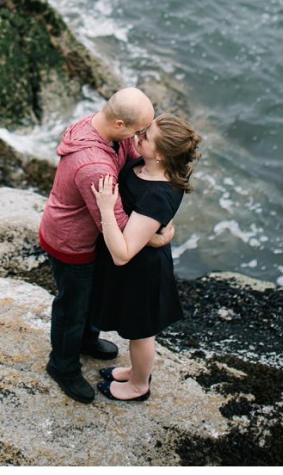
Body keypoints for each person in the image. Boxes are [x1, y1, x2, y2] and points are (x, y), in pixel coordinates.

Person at [39, 87, 175, 404]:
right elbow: (120, 229)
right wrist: (157, 235)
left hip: (91, 239)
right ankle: (62, 365)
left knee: (90, 299)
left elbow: (129, 163)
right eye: (138, 131)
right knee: (72, 308)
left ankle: (86, 341)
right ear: (119, 124)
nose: (140, 139)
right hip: (72, 244)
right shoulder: (94, 167)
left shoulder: (107, 130)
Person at [90, 113, 201, 402]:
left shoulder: (158, 194)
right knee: (136, 328)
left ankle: (139, 385)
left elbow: (123, 253)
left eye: (145, 136)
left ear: (162, 155)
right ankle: (135, 371)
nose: (137, 136)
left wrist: (105, 207)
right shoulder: (147, 164)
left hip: (141, 271)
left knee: (140, 332)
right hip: (141, 259)